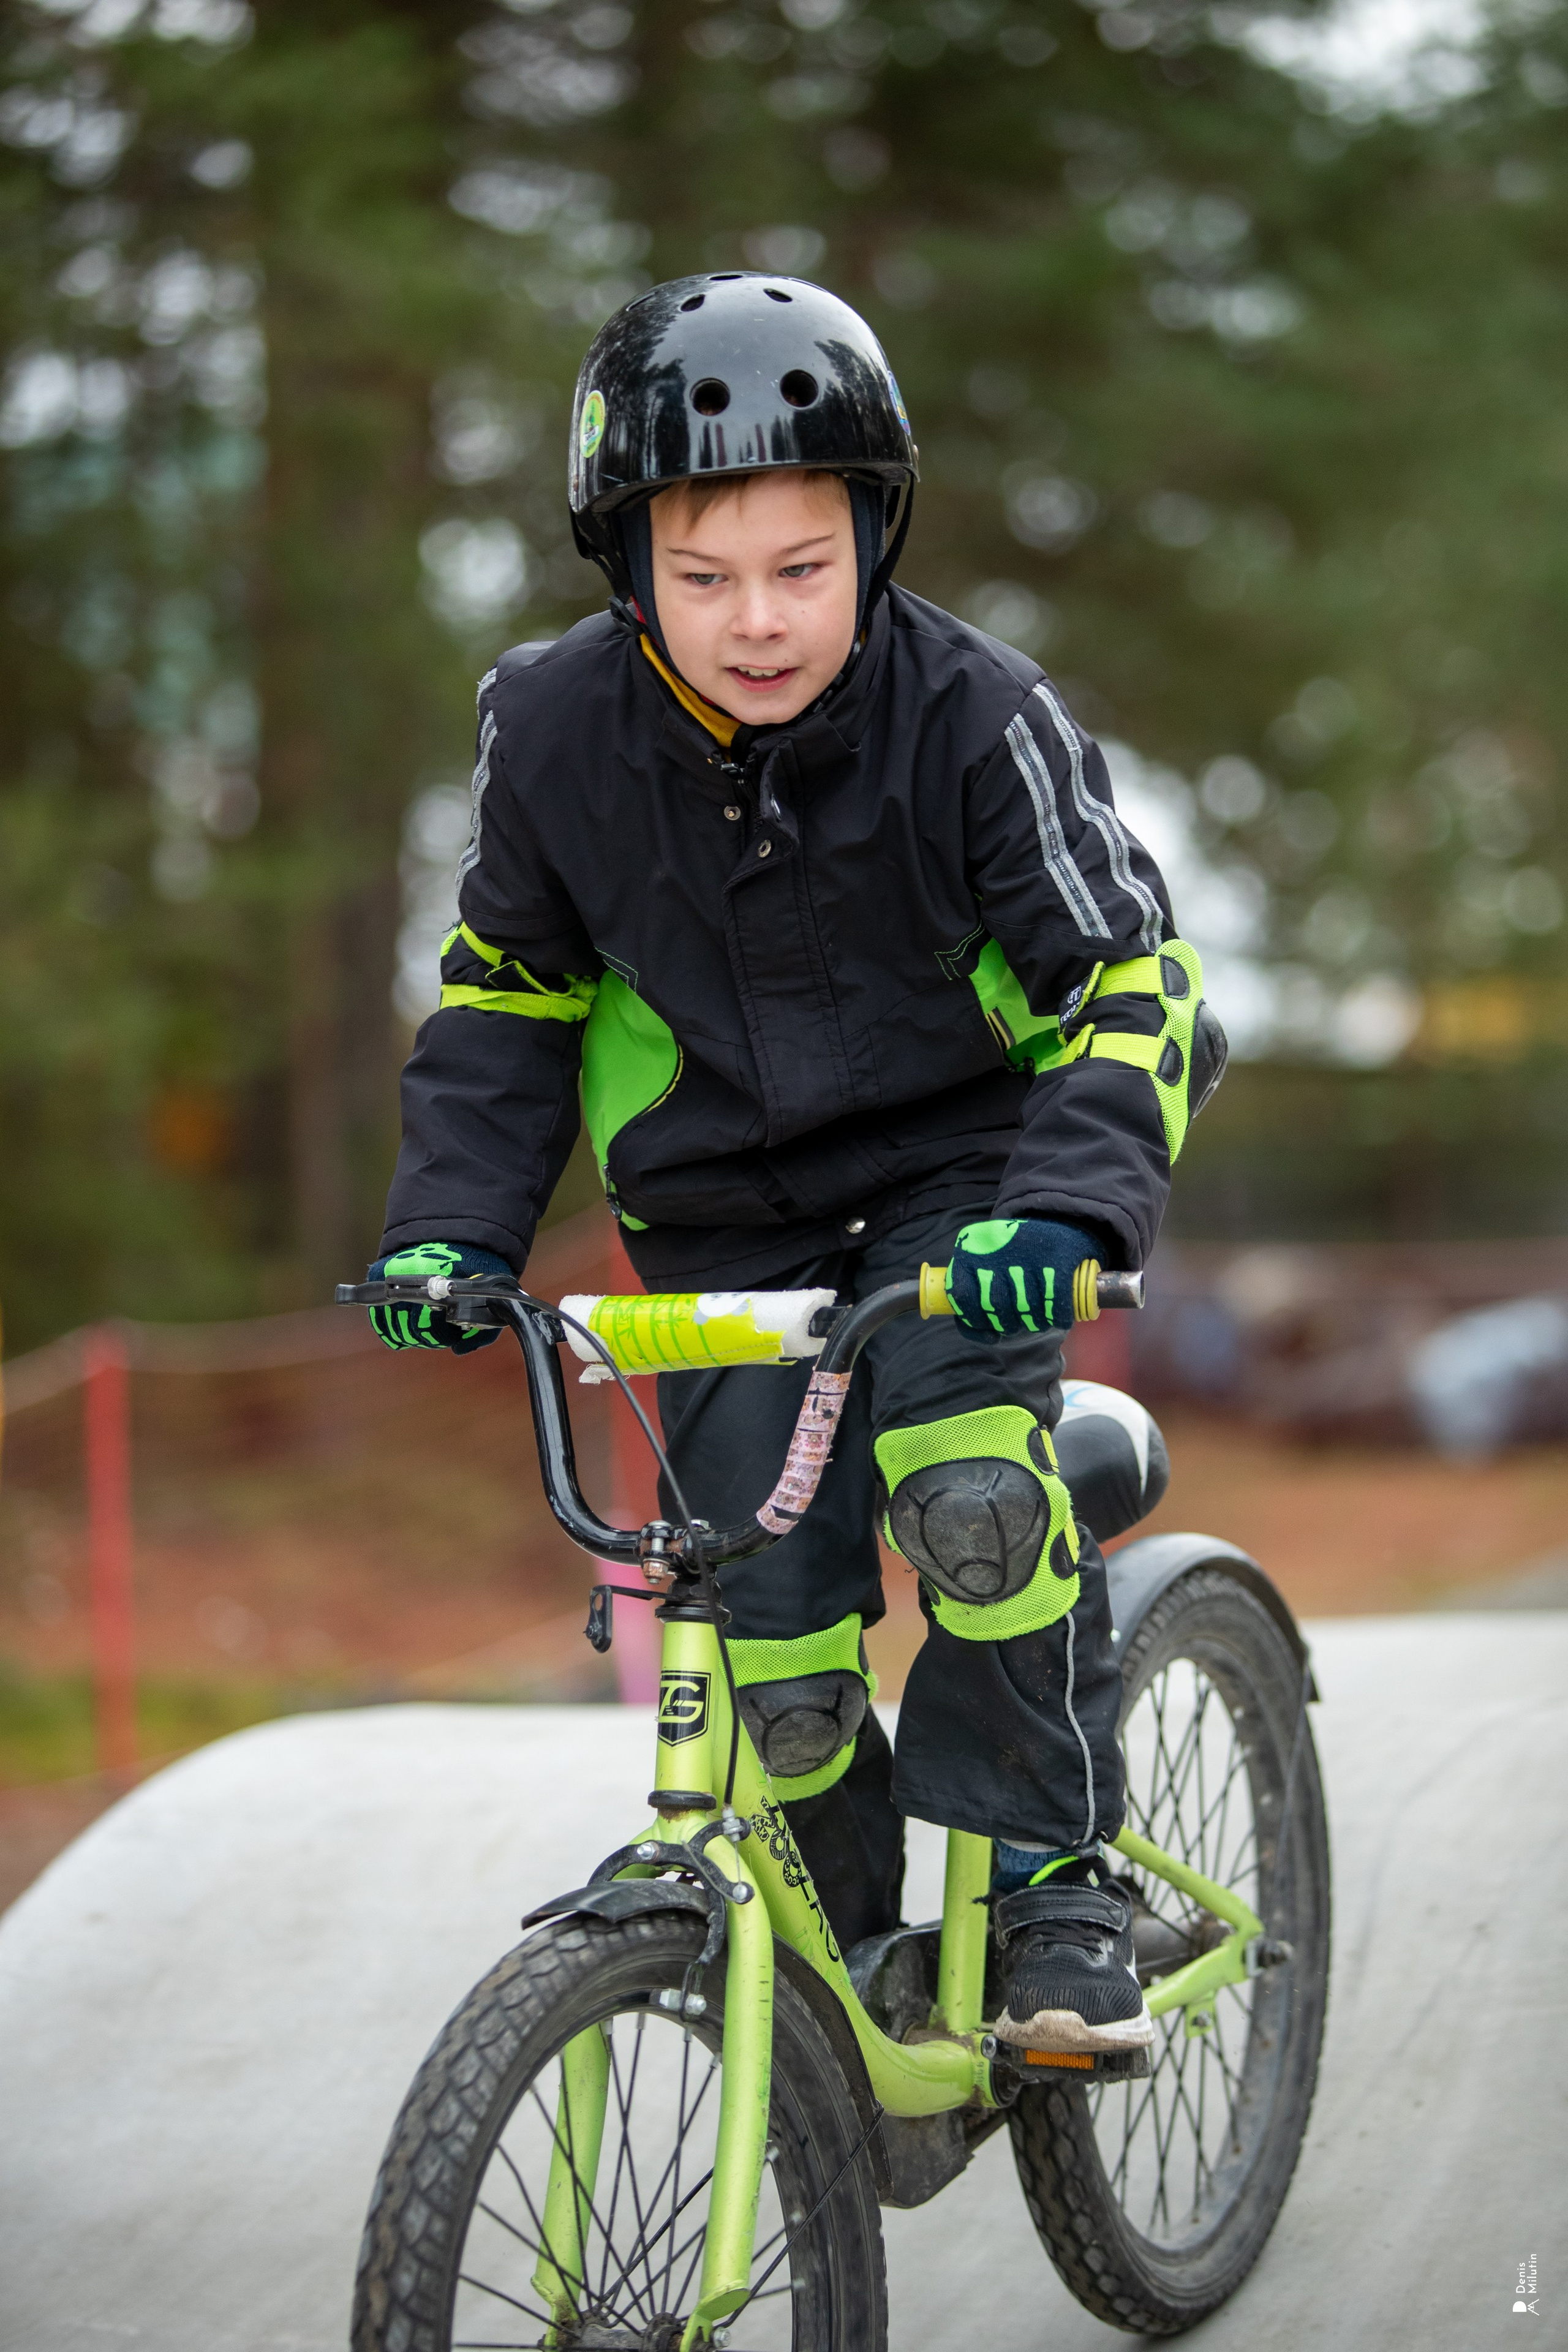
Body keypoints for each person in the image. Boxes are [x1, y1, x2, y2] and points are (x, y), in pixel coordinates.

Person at [368, 274, 1226, 2056]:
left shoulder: (974, 716)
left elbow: (1133, 978)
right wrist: (451, 1237)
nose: (757, 621)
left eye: (802, 569)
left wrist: (1064, 1209)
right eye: (703, 578)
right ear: (626, 571)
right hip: (718, 1221)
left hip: (959, 1185)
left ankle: (1057, 1884)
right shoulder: (552, 735)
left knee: (974, 1493)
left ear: (875, 540)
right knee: (760, 1626)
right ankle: (845, 1941)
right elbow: (508, 1008)